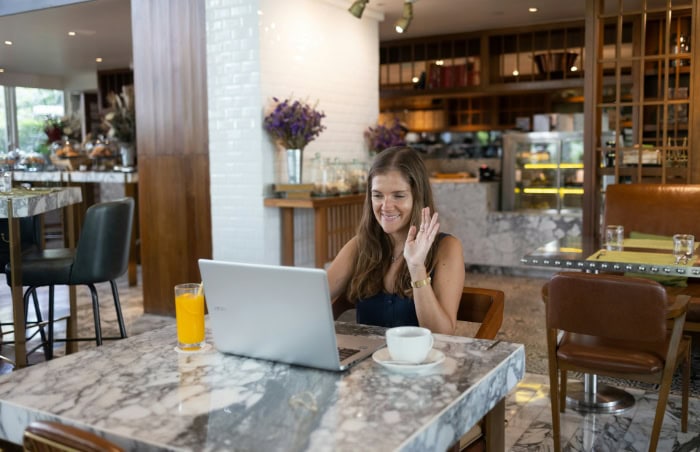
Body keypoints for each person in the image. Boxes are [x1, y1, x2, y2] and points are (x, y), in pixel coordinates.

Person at [327, 146, 465, 335]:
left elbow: (442, 335)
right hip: (367, 362)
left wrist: (416, 267)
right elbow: (314, 298)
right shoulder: (360, 245)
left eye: (398, 195)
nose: (386, 206)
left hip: (420, 362)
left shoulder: (447, 248)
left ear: (418, 197)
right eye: (377, 195)